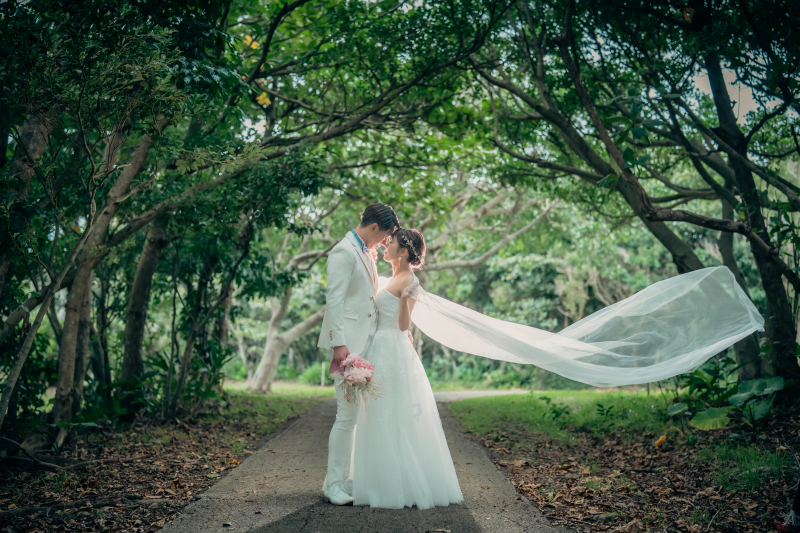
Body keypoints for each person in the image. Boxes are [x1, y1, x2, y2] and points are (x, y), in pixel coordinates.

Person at [351, 228, 463, 509]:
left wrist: (404, 299)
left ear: (403, 252)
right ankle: (377, 479)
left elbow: (403, 326)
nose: (386, 245)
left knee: (394, 411)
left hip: (394, 349)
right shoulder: (389, 277)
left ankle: (399, 484)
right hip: (378, 347)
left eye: (392, 243)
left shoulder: (409, 281)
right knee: (376, 412)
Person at [317, 203, 399, 506]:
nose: (383, 243)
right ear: (375, 227)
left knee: (355, 417)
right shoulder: (343, 251)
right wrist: (339, 346)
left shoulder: (363, 250)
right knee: (345, 416)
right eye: (384, 237)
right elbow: (334, 301)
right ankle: (334, 484)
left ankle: (343, 479)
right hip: (348, 347)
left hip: (366, 345)